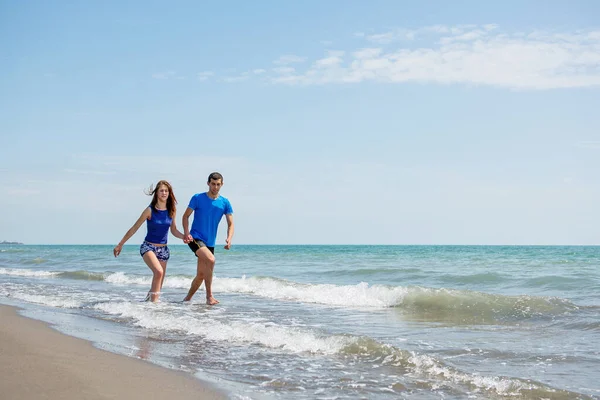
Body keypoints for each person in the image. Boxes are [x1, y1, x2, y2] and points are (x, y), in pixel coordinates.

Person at [113, 180, 184, 302]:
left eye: (166, 191)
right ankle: (154, 306)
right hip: (148, 247)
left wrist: (184, 237)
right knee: (159, 272)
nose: (164, 193)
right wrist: (120, 244)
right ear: (156, 193)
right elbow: (135, 227)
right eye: (161, 190)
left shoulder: (171, 210)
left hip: (164, 250)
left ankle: (146, 305)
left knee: (159, 281)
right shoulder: (150, 210)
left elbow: (174, 230)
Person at [182, 172, 234, 305]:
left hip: (210, 242)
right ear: (208, 183)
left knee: (200, 275)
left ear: (221, 184)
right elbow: (185, 216)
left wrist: (229, 238)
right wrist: (187, 232)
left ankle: (186, 300)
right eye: (213, 184)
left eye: (218, 184)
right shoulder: (198, 198)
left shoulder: (225, 202)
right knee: (211, 259)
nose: (215, 187)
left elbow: (231, 223)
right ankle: (209, 296)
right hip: (195, 237)